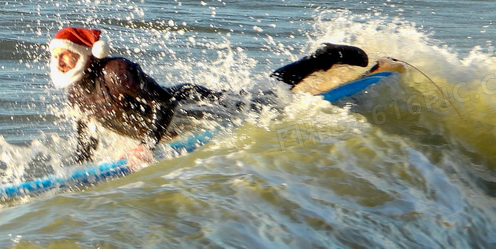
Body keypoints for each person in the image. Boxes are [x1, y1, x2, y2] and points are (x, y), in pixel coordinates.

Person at [48, 26, 372, 166]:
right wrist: (80, 173)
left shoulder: (116, 72)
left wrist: (146, 146)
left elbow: (164, 102)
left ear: (86, 55)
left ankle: (321, 57)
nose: (62, 61)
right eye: (57, 56)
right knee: (259, 98)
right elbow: (86, 139)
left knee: (262, 99)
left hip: (192, 104)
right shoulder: (76, 94)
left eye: (67, 54)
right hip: (176, 122)